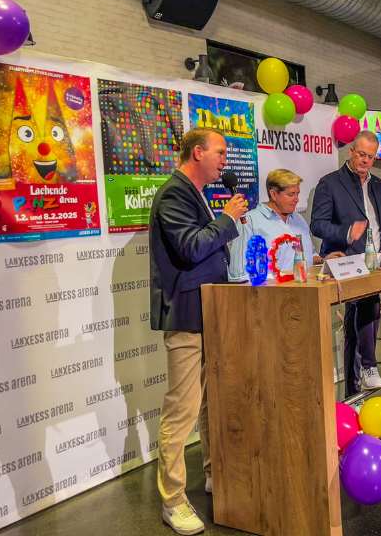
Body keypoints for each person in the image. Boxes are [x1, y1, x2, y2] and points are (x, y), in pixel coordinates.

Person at [149, 127, 247, 535]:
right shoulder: (174, 193)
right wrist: (227, 220)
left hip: (210, 313)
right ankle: (173, 500)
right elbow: (189, 247)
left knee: (212, 405)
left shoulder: (198, 194)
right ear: (198, 152)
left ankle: (213, 474)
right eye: (220, 152)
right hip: (188, 316)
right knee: (183, 409)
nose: (225, 159)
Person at [311, 130, 381, 395]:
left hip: (376, 259)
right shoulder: (330, 183)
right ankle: (367, 368)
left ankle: (355, 389)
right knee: (366, 306)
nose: (365, 161)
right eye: (361, 154)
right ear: (351, 152)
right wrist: (348, 233)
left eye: (370, 157)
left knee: (361, 315)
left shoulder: (379, 185)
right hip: (346, 260)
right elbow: (318, 225)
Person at [228, 168, 333, 282]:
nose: (296, 199)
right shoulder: (249, 222)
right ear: (273, 194)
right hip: (272, 296)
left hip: (306, 293)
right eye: (291, 194)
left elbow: (310, 255)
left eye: (297, 194)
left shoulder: (299, 219)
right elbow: (239, 275)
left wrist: (326, 261)